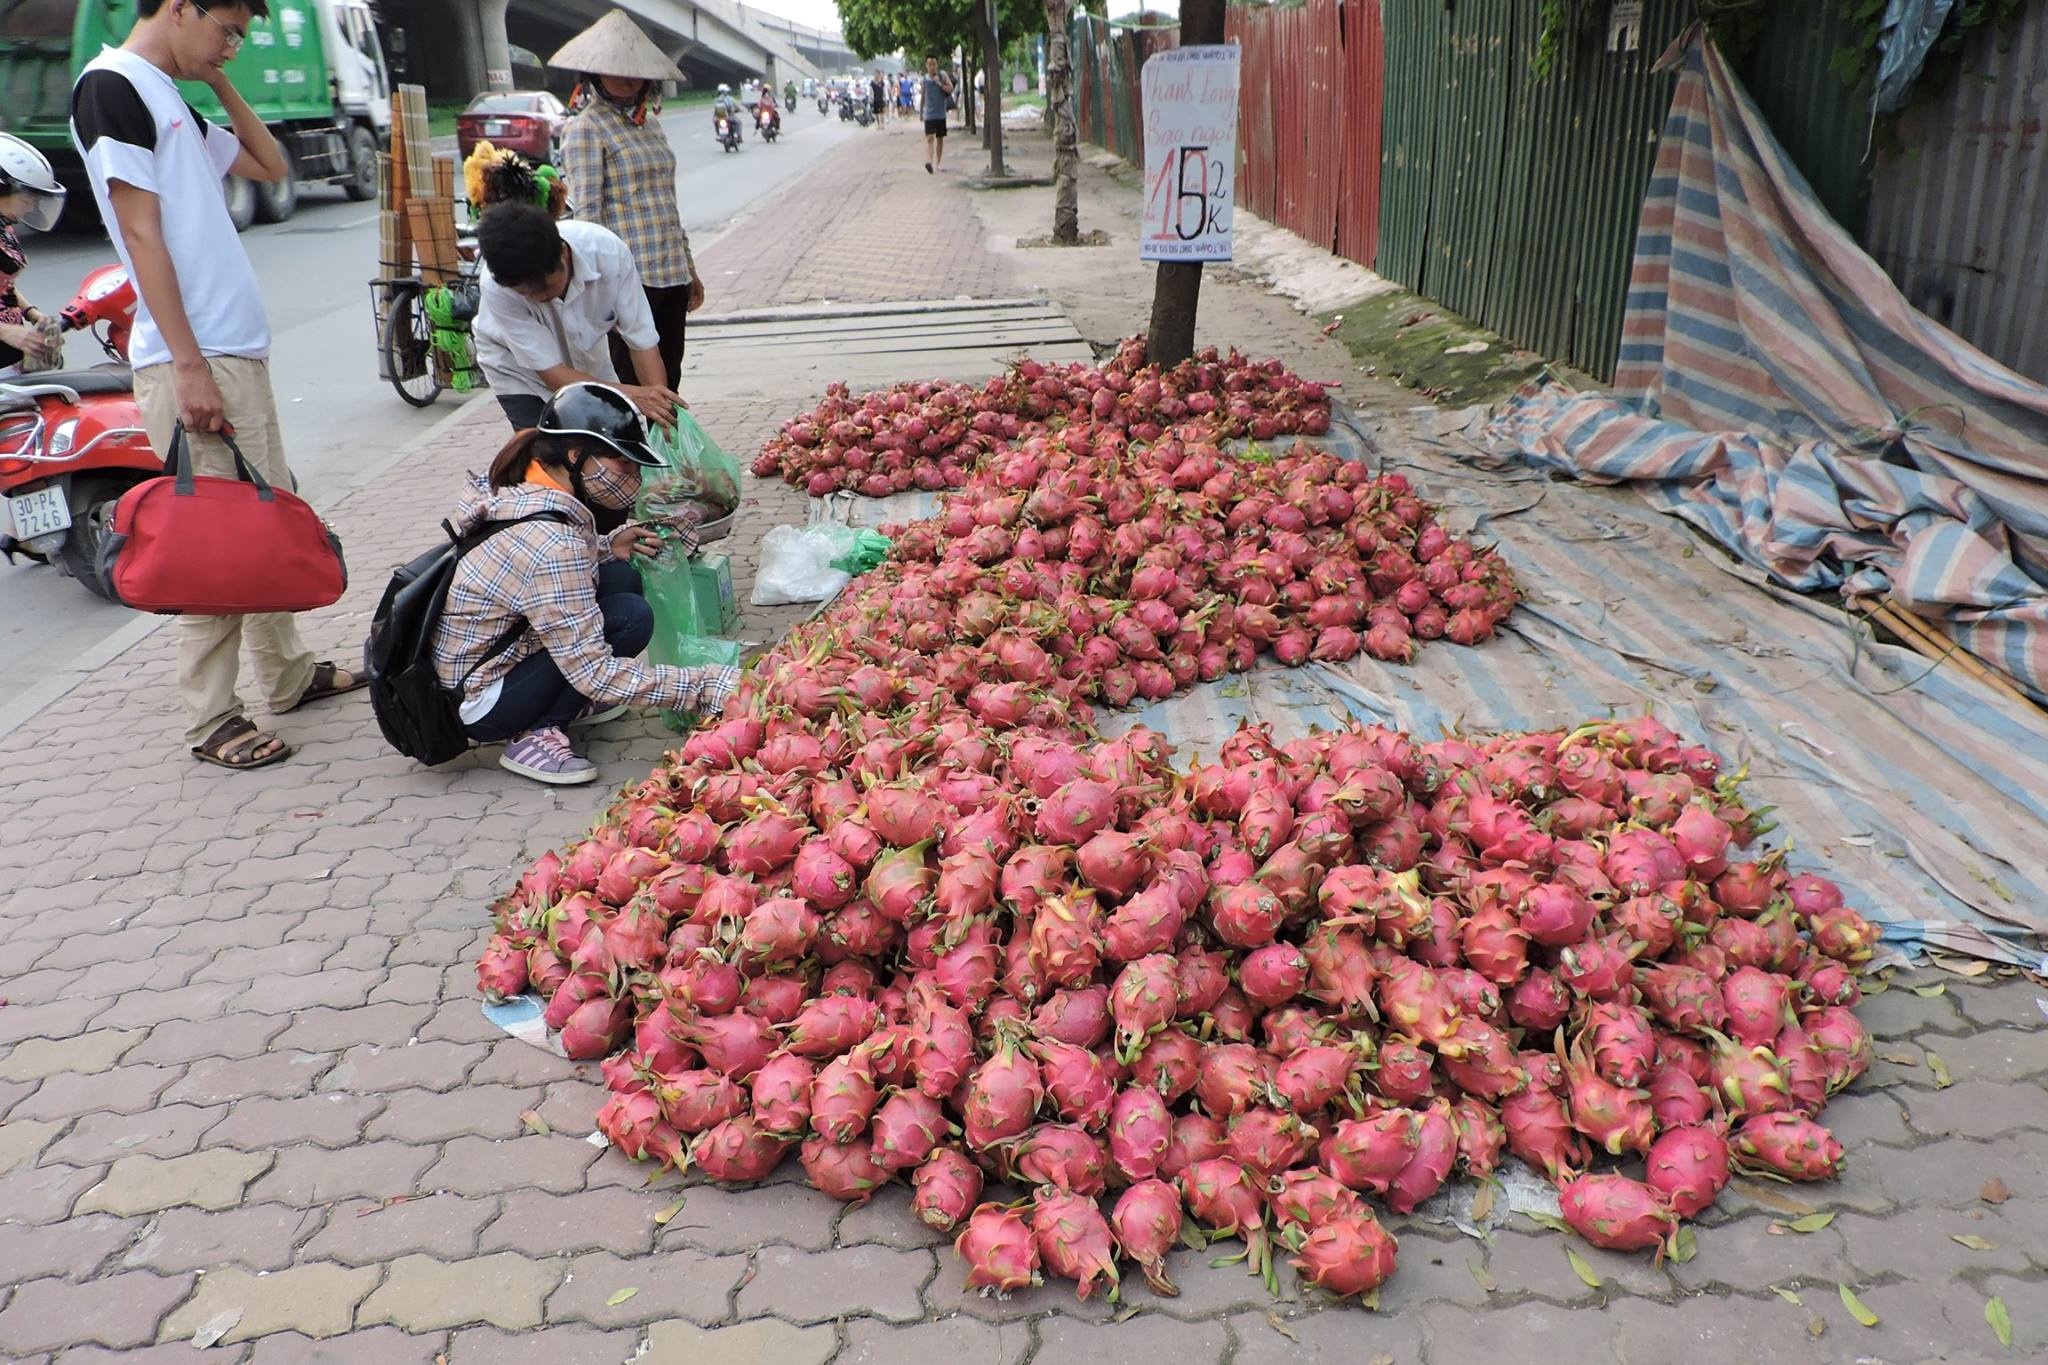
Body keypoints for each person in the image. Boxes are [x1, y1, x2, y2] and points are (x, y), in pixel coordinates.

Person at [70, 0, 362, 771]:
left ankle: (290, 673)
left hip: (233, 353)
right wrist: (188, 361)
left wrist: (215, 82)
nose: (232, 46)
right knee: (215, 541)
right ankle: (212, 719)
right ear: (178, 7)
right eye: (226, 29)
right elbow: (140, 232)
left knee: (263, 521)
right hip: (191, 358)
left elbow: (269, 164)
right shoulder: (113, 87)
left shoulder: (169, 95)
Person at [435, 381, 738, 785]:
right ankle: (536, 733)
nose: (633, 479)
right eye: (623, 465)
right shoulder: (550, 544)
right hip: (480, 701)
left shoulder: (532, 489)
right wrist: (705, 685)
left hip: (495, 655)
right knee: (628, 618)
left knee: (624, 576)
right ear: (577, 456)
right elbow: (594, 673)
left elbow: (546, 575)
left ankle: (558, 703)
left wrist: (610, 545)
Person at [550, 11, 701, 392]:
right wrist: (596, 287)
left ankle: (667, 450)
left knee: (671, 376)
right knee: (636, 383)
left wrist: (690, 269)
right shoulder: (585, 129)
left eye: (634, 68)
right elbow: (587, 216)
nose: (625, 76)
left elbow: (668, 202)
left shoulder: (649, 124)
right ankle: (637, 452)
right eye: (613, 68)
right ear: (594, 74)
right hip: (628, 278)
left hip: (670, 271)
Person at [471, 202, 680, 457]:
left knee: (615, 455)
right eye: (526, 294)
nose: (537, 298)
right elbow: (553, 374)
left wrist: (659, 407)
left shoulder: (608, 254)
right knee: (549, 455)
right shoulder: (496, 288)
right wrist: (635, 395)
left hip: (588, 365)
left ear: (563, 254)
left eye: (545, 288)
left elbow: (642, 341)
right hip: (520, 371)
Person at [0, 134, 67, 379]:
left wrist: (32, 314)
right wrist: (4, 331)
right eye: (26, 200)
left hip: (12, 354)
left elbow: (4, 286)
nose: (30, 208)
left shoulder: (5, 227)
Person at [920, 56, 955, 175]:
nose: (932, 67)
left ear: (937, 64)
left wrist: (940, 84)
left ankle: (938, 163)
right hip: (929, 114)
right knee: (930, 139)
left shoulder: (942, 75)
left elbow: (951, 89)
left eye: (934, 64)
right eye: (929, 64)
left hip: (940, 114)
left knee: (940, 139)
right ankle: (929, 162)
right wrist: (921, 111)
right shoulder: (924, 79)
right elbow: (923, 95)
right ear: (926, 66)